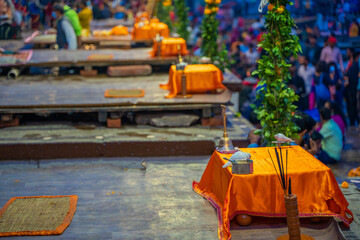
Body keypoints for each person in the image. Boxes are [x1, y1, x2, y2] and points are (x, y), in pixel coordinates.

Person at [344, 49, 359, 126]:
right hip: (354, 91)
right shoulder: (354, 66)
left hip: (352, 91)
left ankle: (353, 123)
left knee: (353, 107)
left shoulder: (354, 66)